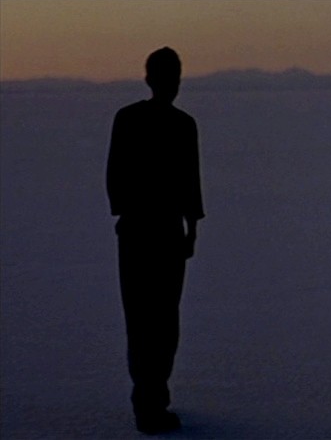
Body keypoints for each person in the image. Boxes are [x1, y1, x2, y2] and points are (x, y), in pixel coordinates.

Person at [106, 47, 204, 435]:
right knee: (157, 320)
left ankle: (149, 400)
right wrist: (190, 228)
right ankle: (149, 403)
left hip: (146, 233)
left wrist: (190, 226)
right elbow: (187, 186)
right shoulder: (174, 124)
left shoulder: (135, 120)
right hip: (155, 232)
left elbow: (118, 179)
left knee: (150, 319)